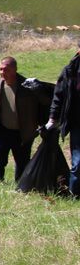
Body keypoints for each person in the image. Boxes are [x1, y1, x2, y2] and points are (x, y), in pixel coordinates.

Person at [0, 56, 39, 182]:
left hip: (22, 133)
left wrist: (39, 88)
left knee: (22, 162)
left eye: (5, 69)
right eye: (0, 69)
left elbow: (41, 107)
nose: (2, 72)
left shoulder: (27, 87)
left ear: (15, 69)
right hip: (1, 130)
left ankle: (21, 186)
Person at [46, 45, 80, 197]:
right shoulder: (70, 71)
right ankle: (75, 195)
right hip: (77, 123)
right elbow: (58, 95)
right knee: (78, 163)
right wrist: (53, 118)